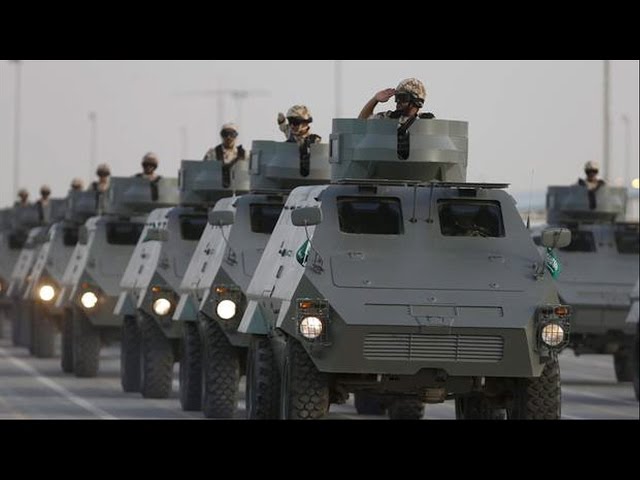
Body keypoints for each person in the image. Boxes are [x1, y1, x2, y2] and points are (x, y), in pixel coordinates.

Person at [358, 77, 435, 125]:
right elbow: (362, 122)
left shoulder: (426, 121)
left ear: (415, 101)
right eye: (397, 97)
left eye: (402, 98)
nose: (398, 101)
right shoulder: (389, 118)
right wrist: (375, 99)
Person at [203, 123, 246, 188]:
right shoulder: (212, 153)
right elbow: (204, 171)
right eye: (225, 134)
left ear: (236, 135)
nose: (228, 137)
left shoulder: (244, 154)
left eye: (232, 134)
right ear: (221, 135)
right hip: (215, 188)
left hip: (239, 188)